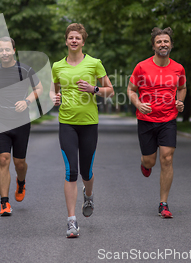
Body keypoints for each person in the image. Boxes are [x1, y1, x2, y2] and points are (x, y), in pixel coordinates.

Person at [50, 23, 114, 238]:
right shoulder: (58, 66)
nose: (74, 41)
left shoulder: (94, 63)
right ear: (66, 41)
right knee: (71, 172)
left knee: (86, 172)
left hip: (89, 123)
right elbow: (55, 89)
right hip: (66, 123)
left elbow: (110, 91)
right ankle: (71, 221)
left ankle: (88, 195)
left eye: (78, 38)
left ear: (83, 42)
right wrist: (55, 98)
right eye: (71, 38)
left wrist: (93, 89)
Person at [127, 27, 186, 219]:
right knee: (150, 160)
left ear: (171, 45)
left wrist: (180, 101)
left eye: (166, 41)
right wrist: (138, 103)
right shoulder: (141, 67)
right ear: (153, 45)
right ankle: (145, 164)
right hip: (146, 120)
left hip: (168, 119)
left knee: (167, 158)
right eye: (159, 42)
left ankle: (164, 203)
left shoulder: (178, 68)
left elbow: (182, 86)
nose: (163, 44)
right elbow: (131, 89)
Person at [0, 37, 43, 216]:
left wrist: (27, 101)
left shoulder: (25, 70)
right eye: (1, 50)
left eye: (7, 49)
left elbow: (39, 88)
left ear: (13, 50)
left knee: (19, 163)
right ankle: (4, 203)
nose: (4, 53)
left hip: (21, 122)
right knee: (3, 159)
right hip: (2, 120)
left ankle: (21, 181)